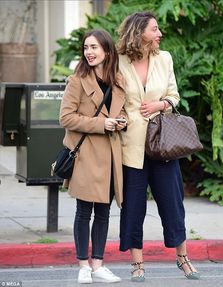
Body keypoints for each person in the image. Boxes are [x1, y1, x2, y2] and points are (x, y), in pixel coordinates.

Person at [116, 11, 200, 281]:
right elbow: (110, 99)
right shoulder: (118, 63)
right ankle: (137, 264)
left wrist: (160, 104)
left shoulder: (164, 59)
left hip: (162, 144)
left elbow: (174, 95)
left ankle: (183, 258)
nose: (159, 34)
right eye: (154, 29)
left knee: (172, 204)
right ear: (139, 32)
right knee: (133, 208)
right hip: (131, 146)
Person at [59, 29, 127, 284]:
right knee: (83, 211)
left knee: (104, 212)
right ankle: (83, 266)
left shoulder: (118, 80)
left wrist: (121, 122)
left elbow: (125, 112)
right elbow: (65, 118)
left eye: (94, 47)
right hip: (87, 155)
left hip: (110, 157)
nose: (89, 52)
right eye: (86, 47)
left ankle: (98, 265)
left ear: (107, 51)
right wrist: (102, 124)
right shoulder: (77, 80)